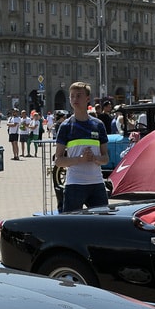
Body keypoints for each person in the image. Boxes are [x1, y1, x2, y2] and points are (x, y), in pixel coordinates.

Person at [55, 82, 110, 213]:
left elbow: (106, 158)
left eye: (79, 96)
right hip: (74, 185)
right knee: (71, 226)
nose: (75, 99)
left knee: (103, 224)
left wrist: (95, 158)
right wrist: (80, 159)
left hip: (96, 184)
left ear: (87, 99)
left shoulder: (98, 125)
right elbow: (58, 160)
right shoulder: (66, 126)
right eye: (72, 96)